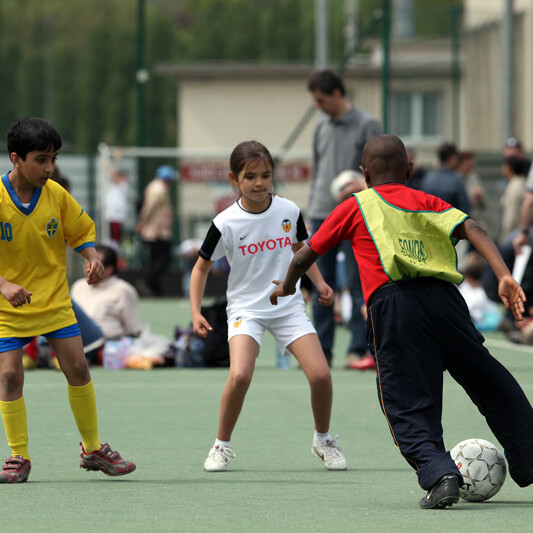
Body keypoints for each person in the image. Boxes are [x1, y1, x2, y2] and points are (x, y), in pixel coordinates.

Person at [271, 134, 533, 509]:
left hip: (394, 307)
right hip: (446, 301)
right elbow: (473, 229)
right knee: (488, 378)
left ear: (364, 174)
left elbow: (303, 256)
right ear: (409, 169)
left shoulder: (355, 205)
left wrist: (287, 286)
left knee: (406, 400)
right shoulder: (427, 200)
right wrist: (505, 274)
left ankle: (440, 474)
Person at [190, 140, 347, 472]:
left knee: (321, 375)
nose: (259, 183)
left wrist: (320, 283)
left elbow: (301, 250)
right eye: (250, 177)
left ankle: (323, 440)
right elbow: (201, 268)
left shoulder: (289, 211)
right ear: (234, 179)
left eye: (265, 175)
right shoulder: (225, 222)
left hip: (288, 307)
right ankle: (220, 445)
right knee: (240, 375)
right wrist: (195, 312)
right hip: (245, 310)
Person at [0, 117, 136, 483]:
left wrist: (92, 257)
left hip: (54, 301)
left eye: (53, 159)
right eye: (40, 159)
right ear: (16, 159)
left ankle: (92, 449)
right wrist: (4, 284)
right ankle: (18, 456)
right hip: (8, 308)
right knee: (9, 376)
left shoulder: (56, 195)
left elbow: (80, 231)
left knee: (77, 367)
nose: (49, 168)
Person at [307, 69, 381, 368]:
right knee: (321, 286)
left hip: (356, 215)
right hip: (321, 215)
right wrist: (311, 212)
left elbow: (381, 168)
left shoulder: (367, 124)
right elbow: (317, 171)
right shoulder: (321, 126)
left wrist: (363, 186)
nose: (318, 106)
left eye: (321, 100)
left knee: (357, 284)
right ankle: (321, 352)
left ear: (337, 93)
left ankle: (358, 349)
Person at [71, 244, 142, 341]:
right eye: (87, 264)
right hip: (77, 340)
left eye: (93, 266)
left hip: (108, 341)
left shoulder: (123, 289)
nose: (87, 269)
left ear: (109, 269)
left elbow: (133, 329)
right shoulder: (78, 286)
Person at [136, 164, 177, 296]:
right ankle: (148, 281)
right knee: (163, 259)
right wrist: (143, 222)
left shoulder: (158, 188)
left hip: (157, 229)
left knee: (156, 259)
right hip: (156, 231)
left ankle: (154, 287)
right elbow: (149, 207)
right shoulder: (158, 189)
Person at [499, 156, 527, 244]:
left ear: (509, 168)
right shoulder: (522, 183)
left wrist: (504, 238)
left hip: (514, 235)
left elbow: (512, 217)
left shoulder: (515, 187)